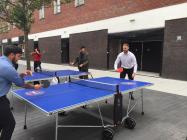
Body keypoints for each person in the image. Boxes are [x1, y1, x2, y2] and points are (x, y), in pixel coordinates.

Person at [0, 45, 41, 140]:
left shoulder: (2, 60)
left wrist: (21, 74)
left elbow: (8, 76)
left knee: (2, 122)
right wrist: (34, 87)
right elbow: (21, 84)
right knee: (10, 124)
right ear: (11, 55)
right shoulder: (7, 67)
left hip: (2, 97)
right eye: (18, 56)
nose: (19, 59)